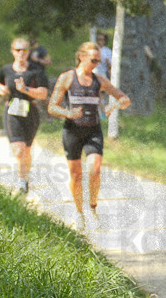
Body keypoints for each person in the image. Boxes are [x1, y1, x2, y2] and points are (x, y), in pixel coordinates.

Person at [47, 42, 130, 225]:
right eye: (93, 60)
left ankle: (92, 207)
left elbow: (124, 99)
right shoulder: (67, 78)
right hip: (72, 131)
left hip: (93, 130)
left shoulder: (99, 80)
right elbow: (52, 106)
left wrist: (114, 105)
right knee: (76, 175)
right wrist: (68, 113)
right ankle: (79, 212)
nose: (95, 64)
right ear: (81, 57)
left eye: (98, 61)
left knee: (95, 168)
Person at [0, 37, 50, 194]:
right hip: (12, 110)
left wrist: (25, 89)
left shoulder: (36, 71)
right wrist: (1, 89)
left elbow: (43, 93)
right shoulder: (6, 69)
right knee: (18, 149)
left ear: (28, 52)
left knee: (26, 150)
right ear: (12, 51)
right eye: (18, 50)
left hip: (30, 111)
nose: (21, 53)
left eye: (24, 50)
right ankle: (21, 180)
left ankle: (25, 177)